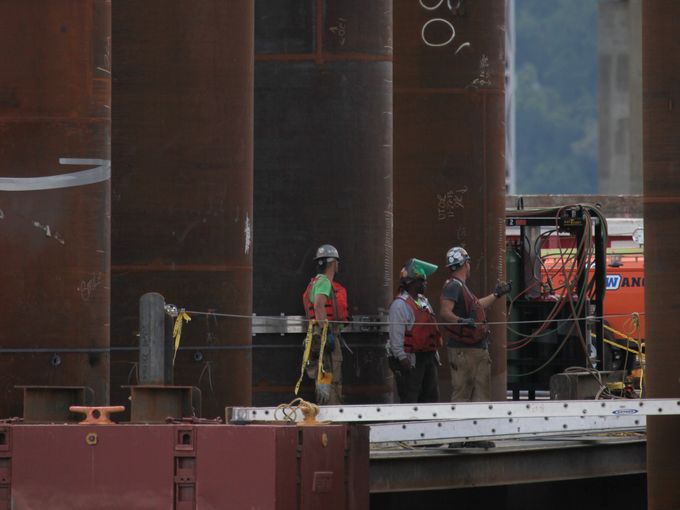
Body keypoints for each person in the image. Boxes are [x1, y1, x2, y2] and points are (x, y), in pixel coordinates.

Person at [439, 246, 511, 402]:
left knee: (481, 396)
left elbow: (477, 305)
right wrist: (461, 321)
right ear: (465, 264)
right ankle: (458, 425)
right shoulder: (453, 286)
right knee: (462, 394)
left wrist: (496, 295)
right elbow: (445, 312)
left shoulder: (461, 286)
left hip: (474, 348)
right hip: (463, 350)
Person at [387, 258, 442, 403]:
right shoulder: (399, 305)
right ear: (412, 282)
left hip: (428, 357)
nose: (425, 283)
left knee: (431, 398)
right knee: (411, 398)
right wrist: (401, 358)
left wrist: (435, 356)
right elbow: (396, 335)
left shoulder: (424, 302)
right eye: (422, 280)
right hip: (411, 360)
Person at [301, 244, 348, 404]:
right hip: (323, 335)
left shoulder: (315, 282)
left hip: (316, 335)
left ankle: (326, 411)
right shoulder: (324, 282)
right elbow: (319, 305)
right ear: (334, 263)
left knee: (323, 377)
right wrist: (326, 332)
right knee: (331, 377)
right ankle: (332, 418)